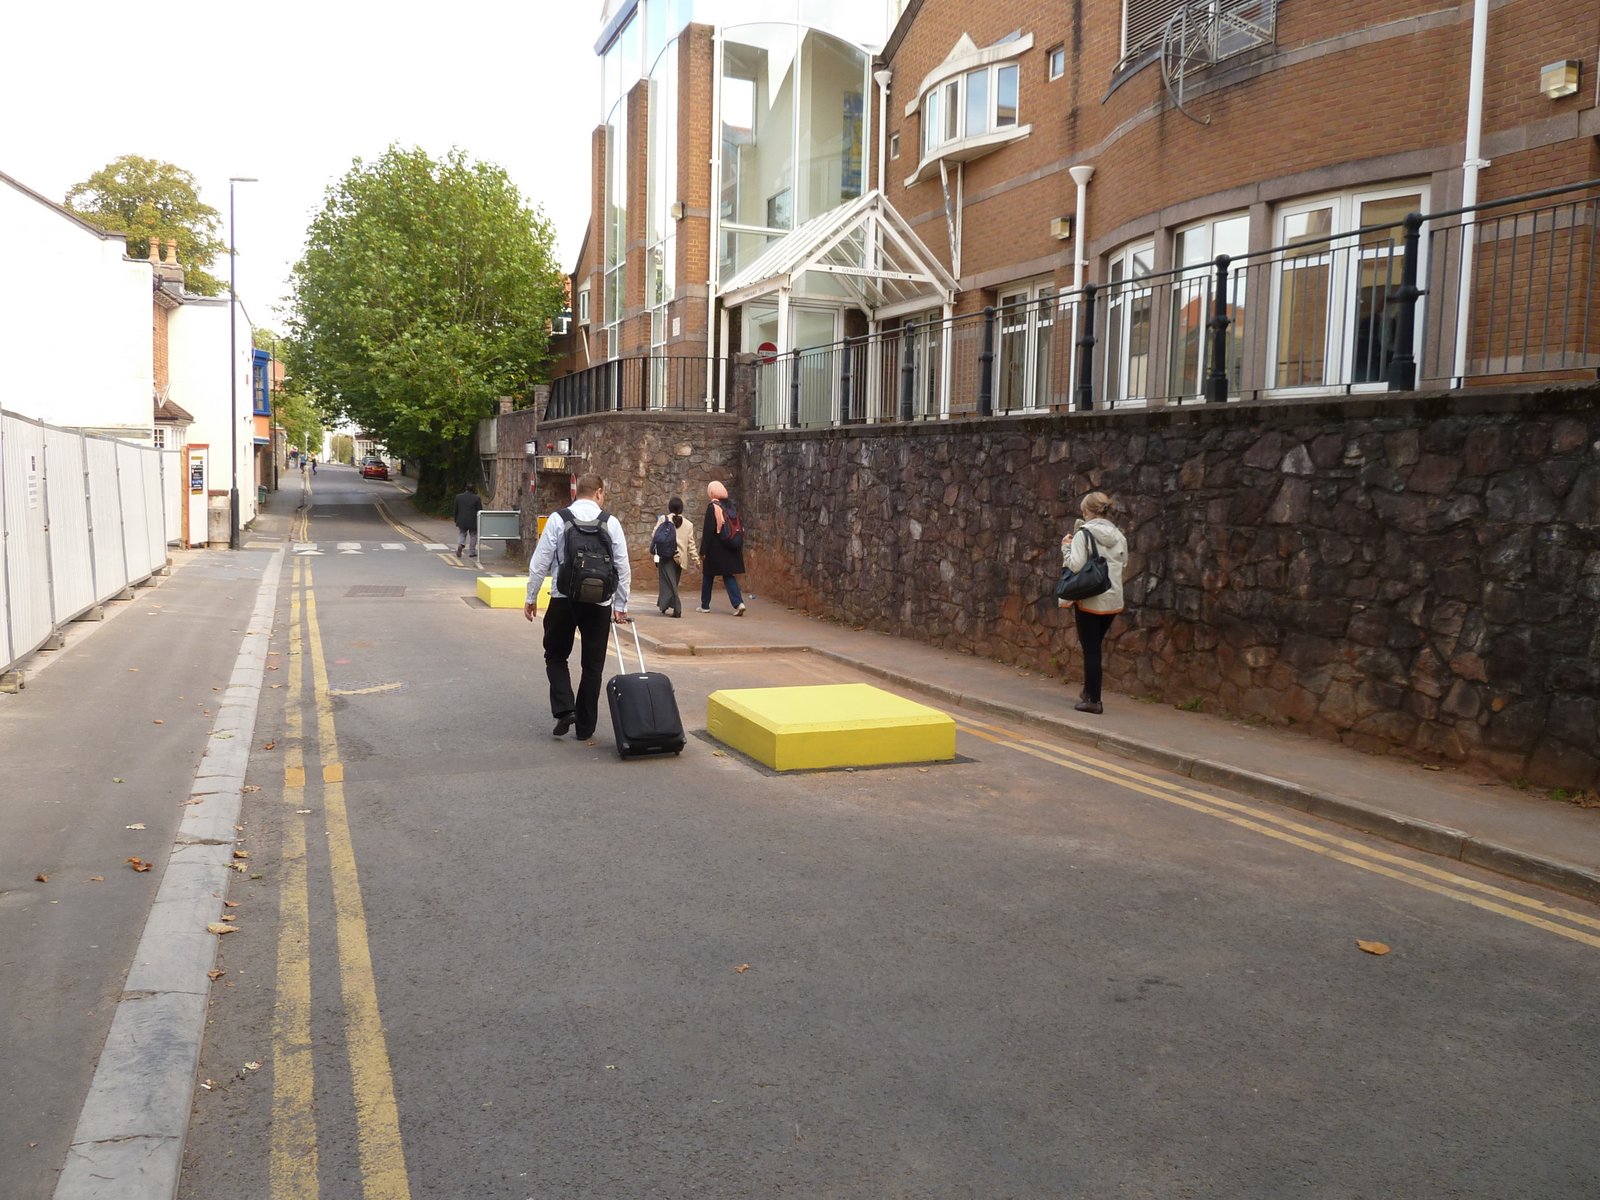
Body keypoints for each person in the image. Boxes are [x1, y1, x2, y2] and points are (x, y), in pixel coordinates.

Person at [524, 473, 631, 741]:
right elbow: (622, 565)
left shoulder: (558, 519)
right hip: (599, 602)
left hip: (563, 598)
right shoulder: (611, 522)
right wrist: (620, 604)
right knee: (593, 665)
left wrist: (531, 596)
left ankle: (564, 709)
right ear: (599, 492)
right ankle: (585, 728)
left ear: (576, 492)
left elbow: (540, 561)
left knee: (555, 655)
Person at [1059, 491, 1128, 715]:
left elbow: (1075, 566)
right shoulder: (1119, 535)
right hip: (1112, 599)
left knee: (1091, 651)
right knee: (1094, 647)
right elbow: (1124, 563)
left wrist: (1066, 547)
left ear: (1087, 511)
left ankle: (1094, 700)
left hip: (1090, 599)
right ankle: (1088, 691)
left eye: (1083, 510)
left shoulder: (1083, 534)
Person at [698, 480, 746, 615]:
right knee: (728, 575)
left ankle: (705, 605)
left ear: (712, 492)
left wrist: (703, 551)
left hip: (716, 549)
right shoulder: (732, 506)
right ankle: (739, 603)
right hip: (731, 547)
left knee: (708, 575)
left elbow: (708, 531)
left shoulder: (713, 507)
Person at [651, 496, 699, 618]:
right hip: (680, 559)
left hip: (666, 556)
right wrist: (696, 559)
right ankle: (664, 604)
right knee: (673, 582)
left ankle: (677, 608)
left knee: (668, 583)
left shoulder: (664, 519)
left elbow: (654, 535)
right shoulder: (688, 524)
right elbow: (691, 544)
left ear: (670, 507)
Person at [453, 482, 484, 559]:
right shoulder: (477, 498)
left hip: (462, 520)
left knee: (462, 533)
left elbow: (456, 509)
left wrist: (456, 519)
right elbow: (480, 510)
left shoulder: (458, 497)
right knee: (473, 535)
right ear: (473, 489)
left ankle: (461, 544)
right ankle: (472, 552)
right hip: (473, 521)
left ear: (465, 488)